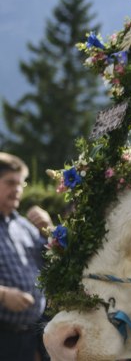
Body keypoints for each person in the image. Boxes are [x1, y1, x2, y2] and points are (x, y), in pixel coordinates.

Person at [0, 151, 52, 361]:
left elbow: (55, 261)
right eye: (10, 182)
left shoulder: (24, 226)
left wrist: (50, 230)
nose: (18, 190)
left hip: (31, 337)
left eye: (21, 183)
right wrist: (2, 295)